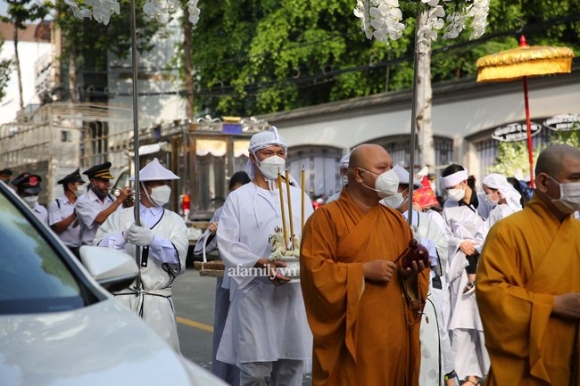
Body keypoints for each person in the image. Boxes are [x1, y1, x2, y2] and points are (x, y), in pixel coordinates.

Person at [300, 144, 429, 386]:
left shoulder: (395, 220)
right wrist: (362, 271)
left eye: (390, 167)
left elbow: (410, 283)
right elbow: (314, 273)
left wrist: (411, 272)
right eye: (382, 168)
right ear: (359, 175)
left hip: (393, 335)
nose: (390, 174)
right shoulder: (326, 219)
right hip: (354, 337)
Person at [216, 126, 314, 386]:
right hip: (253, 293)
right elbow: (227, 243)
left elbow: (314, 239)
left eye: (280, 152)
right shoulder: (238, 198)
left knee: (291, 366)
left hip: (293, 294)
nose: (275, 158)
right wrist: (260, 263)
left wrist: (298, 263)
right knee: (254, 370)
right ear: (252, 157)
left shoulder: (299, 196)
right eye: (267, 152)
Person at [476, 144, 580, 386]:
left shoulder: (577, 232)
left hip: (572, 361)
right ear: (543, 183)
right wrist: (552, 305)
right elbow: (492, 296)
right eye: (575, 178)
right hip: (524, 370)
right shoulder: (508, 231)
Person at [94, 158, 188, 352]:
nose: (165, 188)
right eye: (159, 183)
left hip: (157, 302)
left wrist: (153, 240)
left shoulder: (174, 221)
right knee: (121, 359)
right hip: (122, 300)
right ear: (144, 187)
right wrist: (122, 237)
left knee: (161, 358)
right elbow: (98, 250)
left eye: (167, 183)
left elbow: (178, 257)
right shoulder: (120, 217)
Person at [386, 164, 459, 386]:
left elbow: (442, 251)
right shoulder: (377, 220)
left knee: (429, 347)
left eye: (397, 188)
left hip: (423, 295)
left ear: (407, 191)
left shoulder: (427, 221)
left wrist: (423, 247)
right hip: (388, 296)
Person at [193, 170, 251, 385]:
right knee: (225, 330)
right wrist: (214, 232)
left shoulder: (257, 210)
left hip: (253, 278)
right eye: (232, 192)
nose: (236, 196)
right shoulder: (222, 211)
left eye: (241, 191)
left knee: (250, 332)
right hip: (227, 280)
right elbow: (201, 250)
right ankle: (224, 379)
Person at [440, 164, 490, 385]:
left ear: (464, 182)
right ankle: (467, 376)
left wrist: (477, 246)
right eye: (447, 187)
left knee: (484, 323)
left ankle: (486, 374)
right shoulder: (448, 206)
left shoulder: (486, 204)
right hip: (460, 272)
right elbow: (444, 235)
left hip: (485, 268)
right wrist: (460, 243)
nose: (451, 191)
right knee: (461, 324)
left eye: (453, 186)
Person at [75, 161, 131, 246]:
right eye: (104, 181)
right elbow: (99, 219)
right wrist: (119, 200)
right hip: (91, 249)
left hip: (110, 247)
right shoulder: (82, 201)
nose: (107, 185)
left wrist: (128, 205)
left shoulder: (112, 199)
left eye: (108, 181)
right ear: (93, 182)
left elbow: (122, 220)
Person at [474, 173, 522, 253]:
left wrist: (476, 247)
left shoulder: (501, 211)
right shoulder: (513, 209)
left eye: (487, 193)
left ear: (498, 193)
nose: (485, 196)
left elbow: (487, 233)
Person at [48, 169, 86, 258]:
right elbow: (57, 228)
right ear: (70, 186)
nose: (81, 187)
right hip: (64, 249)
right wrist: (74, 215)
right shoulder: (57, 204)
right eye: (79, 184)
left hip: (82, 249)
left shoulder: (84, 203)